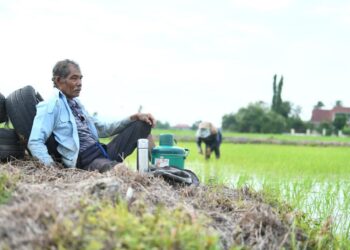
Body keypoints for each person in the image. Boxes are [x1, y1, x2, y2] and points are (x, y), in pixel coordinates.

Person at [28, 59, 156, 173]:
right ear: (59, 80)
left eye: (80, 78)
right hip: (86, 160)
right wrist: (52, 170)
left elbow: (103, 128)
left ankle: (156, 169)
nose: (79, 83)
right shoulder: (51, 105)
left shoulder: (76, 104)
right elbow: (35, 142)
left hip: (101, 151)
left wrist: (133, 117)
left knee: (143, 125)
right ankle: (121, 171)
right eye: (74, 78)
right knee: (121, 170)